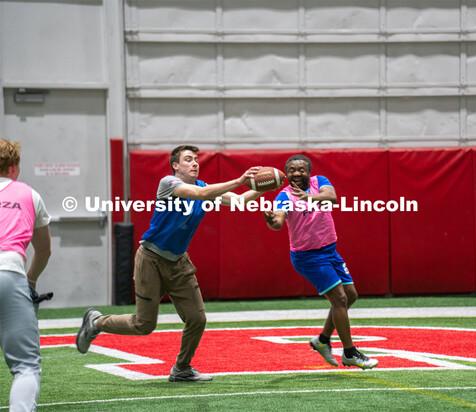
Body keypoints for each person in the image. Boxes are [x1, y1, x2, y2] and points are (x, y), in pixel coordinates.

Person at [76, 145, 264, 382]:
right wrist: (239, 179)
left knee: (197, 318)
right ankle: (97, 322)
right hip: (151, 259)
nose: (195, 163)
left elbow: (239, 200)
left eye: (196, 159)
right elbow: (201, 195)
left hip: (178, 262)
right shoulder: (169, 184)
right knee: (144, 325)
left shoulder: (204, 187)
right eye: (188, 160)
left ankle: (182, 369)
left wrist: (264, 186)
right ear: (176, 166)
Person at [263, 154, 378, 370]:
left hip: (330, 250)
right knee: (340, 299)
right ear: (286, 174)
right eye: (292, 170)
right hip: (308, 257)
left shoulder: (320, 182)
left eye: (301, 169)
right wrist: (271, 220)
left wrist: (308, 198)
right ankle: (350, 353)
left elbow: (332, 197)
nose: (296, 173)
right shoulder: (284, 196)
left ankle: (323, 340)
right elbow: (278, 221)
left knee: (350, 296)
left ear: (309, 172)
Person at [0, 139, 51, 410]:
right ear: (13, 166)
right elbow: (44, 251)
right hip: (9, 273)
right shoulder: (27, 194)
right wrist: (30, 280)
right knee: (26, 367)